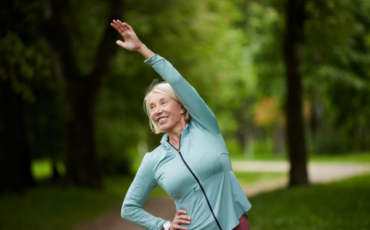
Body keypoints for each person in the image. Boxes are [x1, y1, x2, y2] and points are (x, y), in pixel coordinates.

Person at [111, 19, 252, 230]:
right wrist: (164, 226)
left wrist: (141, 48)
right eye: (152, 107)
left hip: (235, 224)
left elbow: (176, 81)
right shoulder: (153, 160)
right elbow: (129, 208)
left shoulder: (206, 127)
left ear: (183, 107)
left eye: (163, 102)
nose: (157, 110)